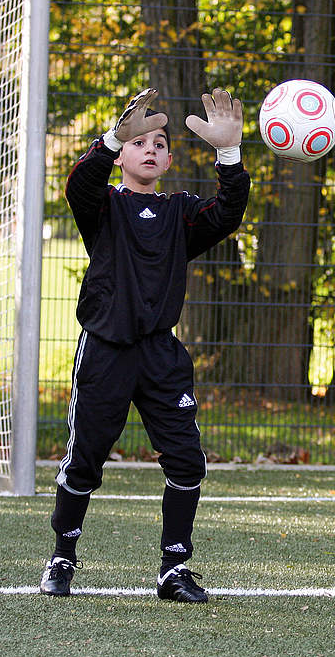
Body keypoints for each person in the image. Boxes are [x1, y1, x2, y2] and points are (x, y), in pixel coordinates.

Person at [39, 87, 250, 604]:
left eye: (159, 143)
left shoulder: (181, 212)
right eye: (140, 142)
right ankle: (62, 558)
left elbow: (227, 213)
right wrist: (112, 135)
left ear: (170, 159)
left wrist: (229, 152)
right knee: (84, 461)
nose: (149, 149)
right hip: (106, 350)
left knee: (187, 462)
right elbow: (81, 181)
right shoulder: (104, 205)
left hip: (161, 356)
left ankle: (173, 571)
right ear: (124, 154)